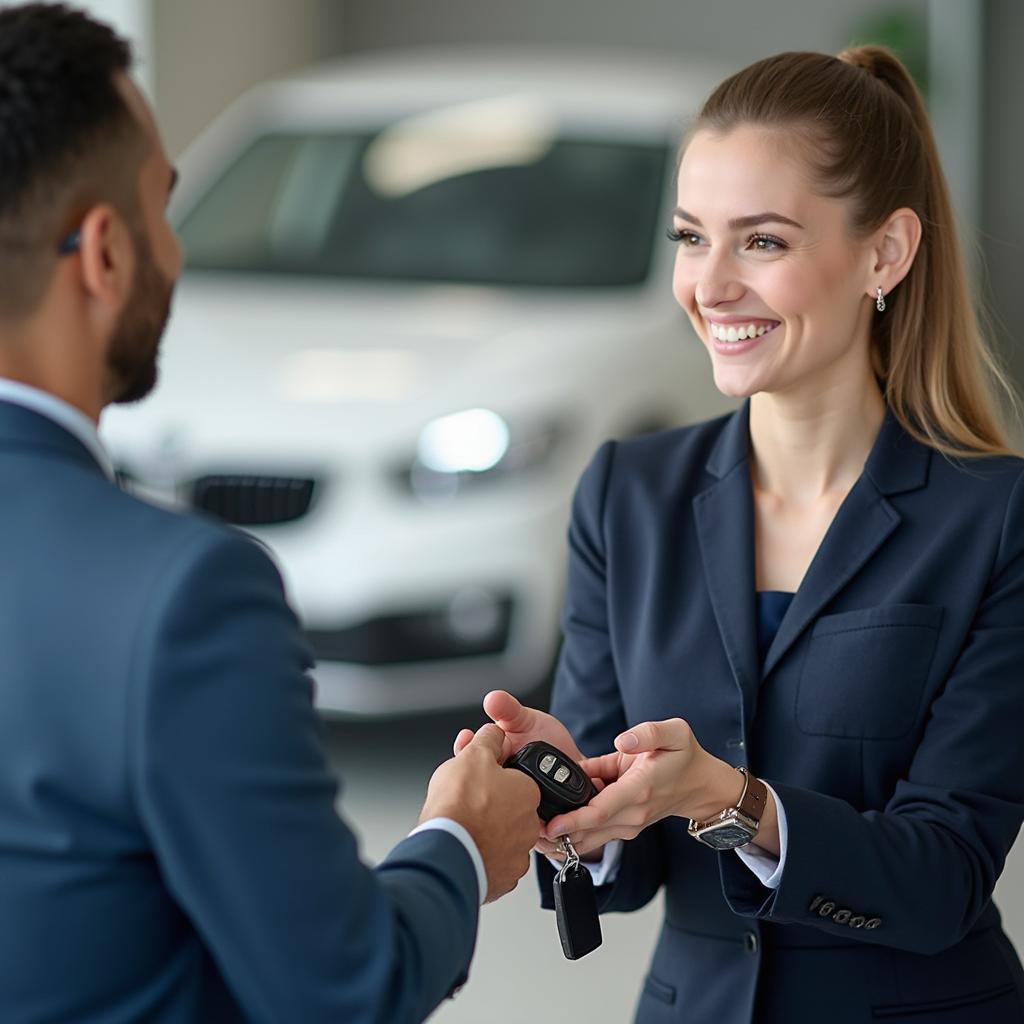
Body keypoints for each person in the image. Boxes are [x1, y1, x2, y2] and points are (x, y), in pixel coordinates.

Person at [459, 46, 1024, 1023]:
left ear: (884, 254)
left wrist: (732, 799)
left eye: (760, 242)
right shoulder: (624, 495)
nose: (709, 286)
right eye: (690, 236)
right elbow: (626, 874)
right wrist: (571, 800)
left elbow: (942, 877)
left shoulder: (994, 518)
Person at [0, 4, 542, 1022]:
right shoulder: (182, 596)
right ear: (105, 253)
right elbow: (342, 987)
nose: (179, 246)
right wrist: (460, 842)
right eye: (165, 206)